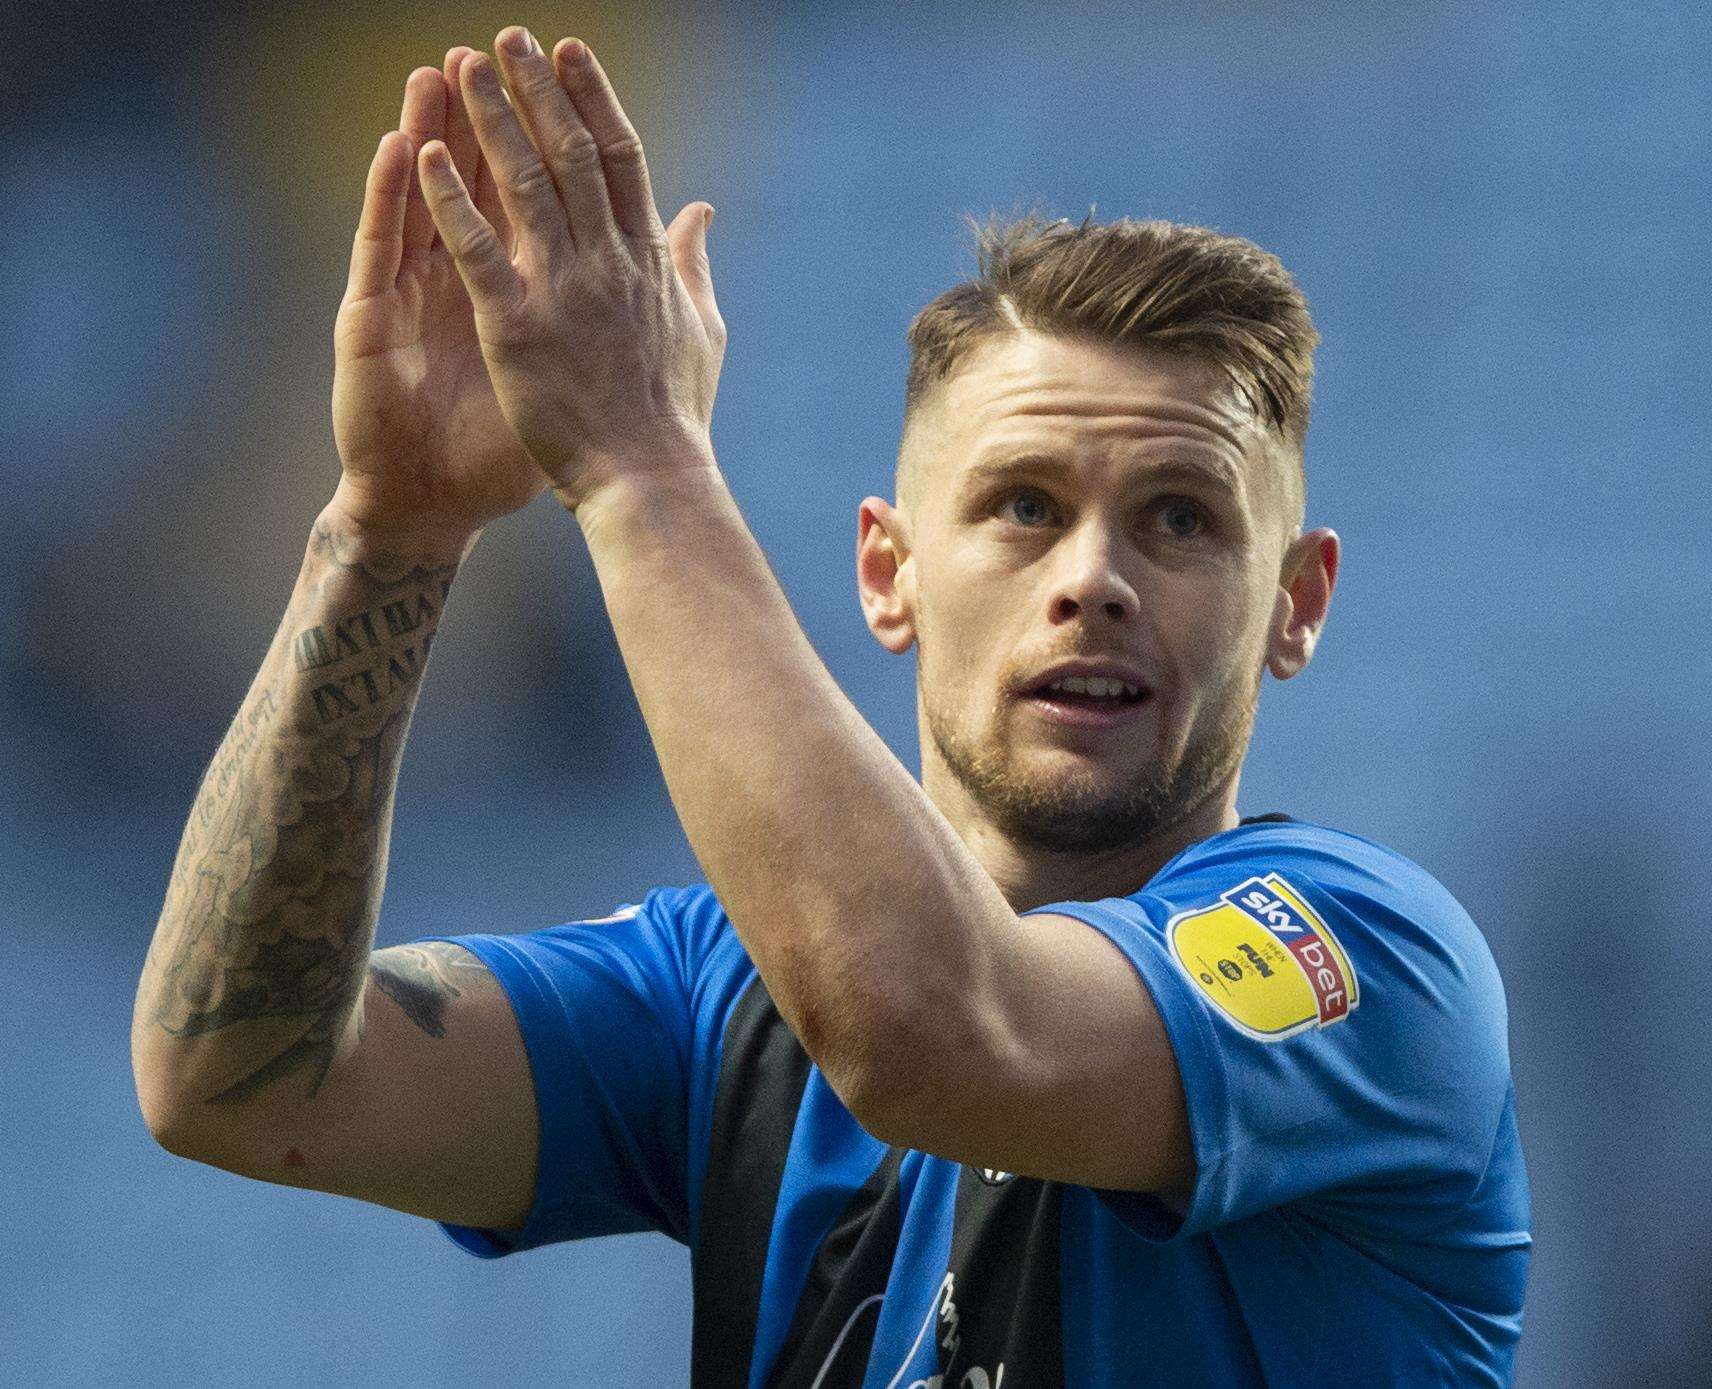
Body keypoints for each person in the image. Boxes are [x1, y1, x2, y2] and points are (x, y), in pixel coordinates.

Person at [131, 26, 1530, 1387]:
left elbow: (941, 1031)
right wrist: (393, 531)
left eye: (1178, 521)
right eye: (1024, 508)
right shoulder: (721, 998)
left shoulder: (1376, 965)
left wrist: (637, 471)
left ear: (1297, 603)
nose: (1093, 578)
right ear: (888, 573)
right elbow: (239, 1078)